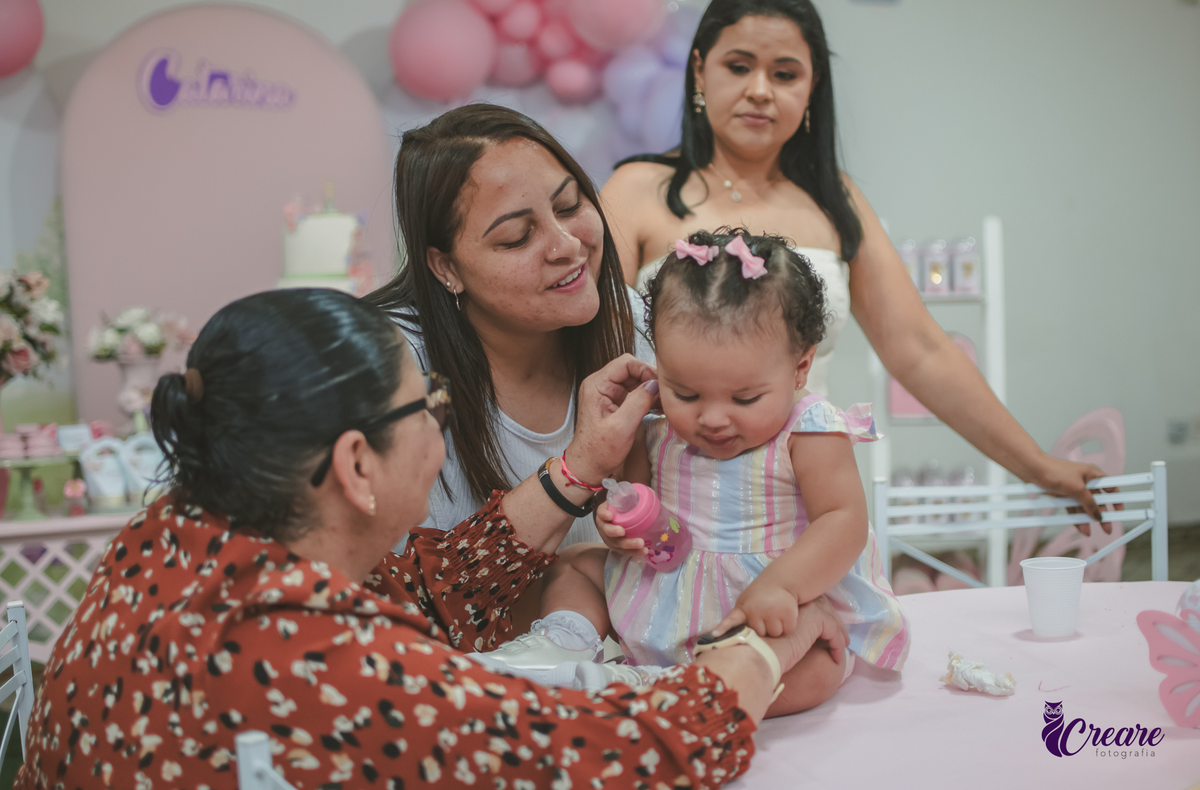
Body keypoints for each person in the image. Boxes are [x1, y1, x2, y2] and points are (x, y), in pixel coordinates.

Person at [15, 289, 850, 789]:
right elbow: (637, 756)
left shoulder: (169, 537)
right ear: (355, 464)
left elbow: (431, 582)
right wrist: (766, 644)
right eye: (429, 408)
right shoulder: (314, 655)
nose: (440, 428)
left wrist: (585, 466)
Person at [600, 0, 1111, 527]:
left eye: (785, 74)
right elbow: (584, 354)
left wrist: (1037, 467)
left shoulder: (833, 200)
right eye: (739, 66)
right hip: (667, 501)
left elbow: (920, 351)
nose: (759, 91)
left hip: (809, 499)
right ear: (701, 70)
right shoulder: (637, 191)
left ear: (813, 86)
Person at [475, 230, 909, 716]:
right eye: (685, 393)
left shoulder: (808, 431)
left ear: (800, 367)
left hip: (763, 600)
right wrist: (618, 528)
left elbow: (842, 520)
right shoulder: (657, 430)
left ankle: (658, 685)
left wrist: (784, 587)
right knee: (574, 563)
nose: (713, 418)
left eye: (745, 398)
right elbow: (638, 499)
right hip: (666, 587)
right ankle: (564, 645)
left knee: (821, 662)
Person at [366, 104, 654, 551]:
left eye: (569, 204)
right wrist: (578, 468)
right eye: (518, 236)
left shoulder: (633, 323)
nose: (566, 244)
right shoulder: (396, 372)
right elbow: (410, 593)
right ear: (446, 268)